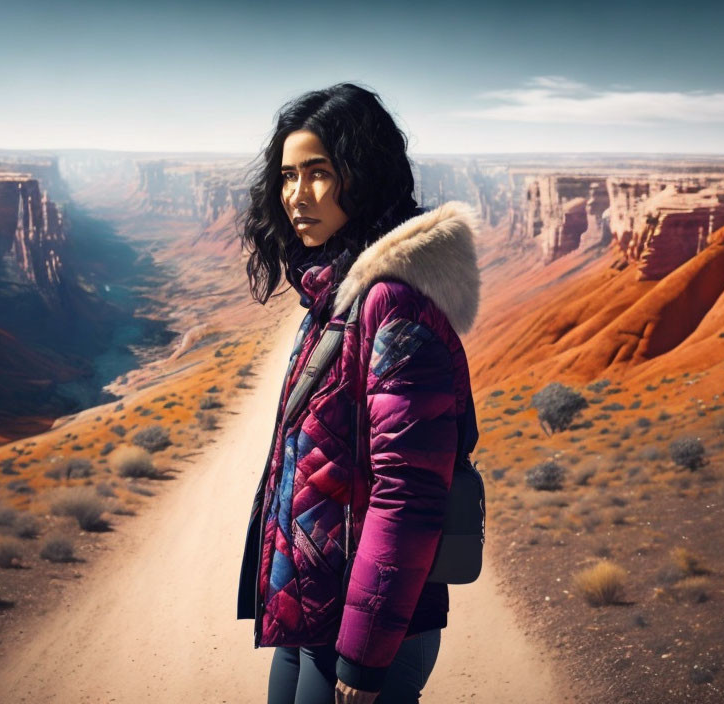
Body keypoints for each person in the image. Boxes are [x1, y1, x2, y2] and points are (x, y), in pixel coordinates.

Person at [236, 82, 481, 704]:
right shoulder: (333, 294)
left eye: (319, 173)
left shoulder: (391, 303)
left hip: (366, 627)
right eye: (288, 176)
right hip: (313, 601)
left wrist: (363, 657)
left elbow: (407, 493)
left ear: (363, 174)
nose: (297, 196)